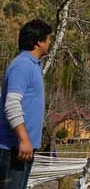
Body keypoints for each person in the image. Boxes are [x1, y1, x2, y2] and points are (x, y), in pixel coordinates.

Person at [0, 20, 52, 189]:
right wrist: (23, 138)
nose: (50, 42)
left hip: (23, 150)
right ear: (39, 41)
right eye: (49, 38)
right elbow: (12, 104)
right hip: (13, 148)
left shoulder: (33, 66)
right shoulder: (22, 66)